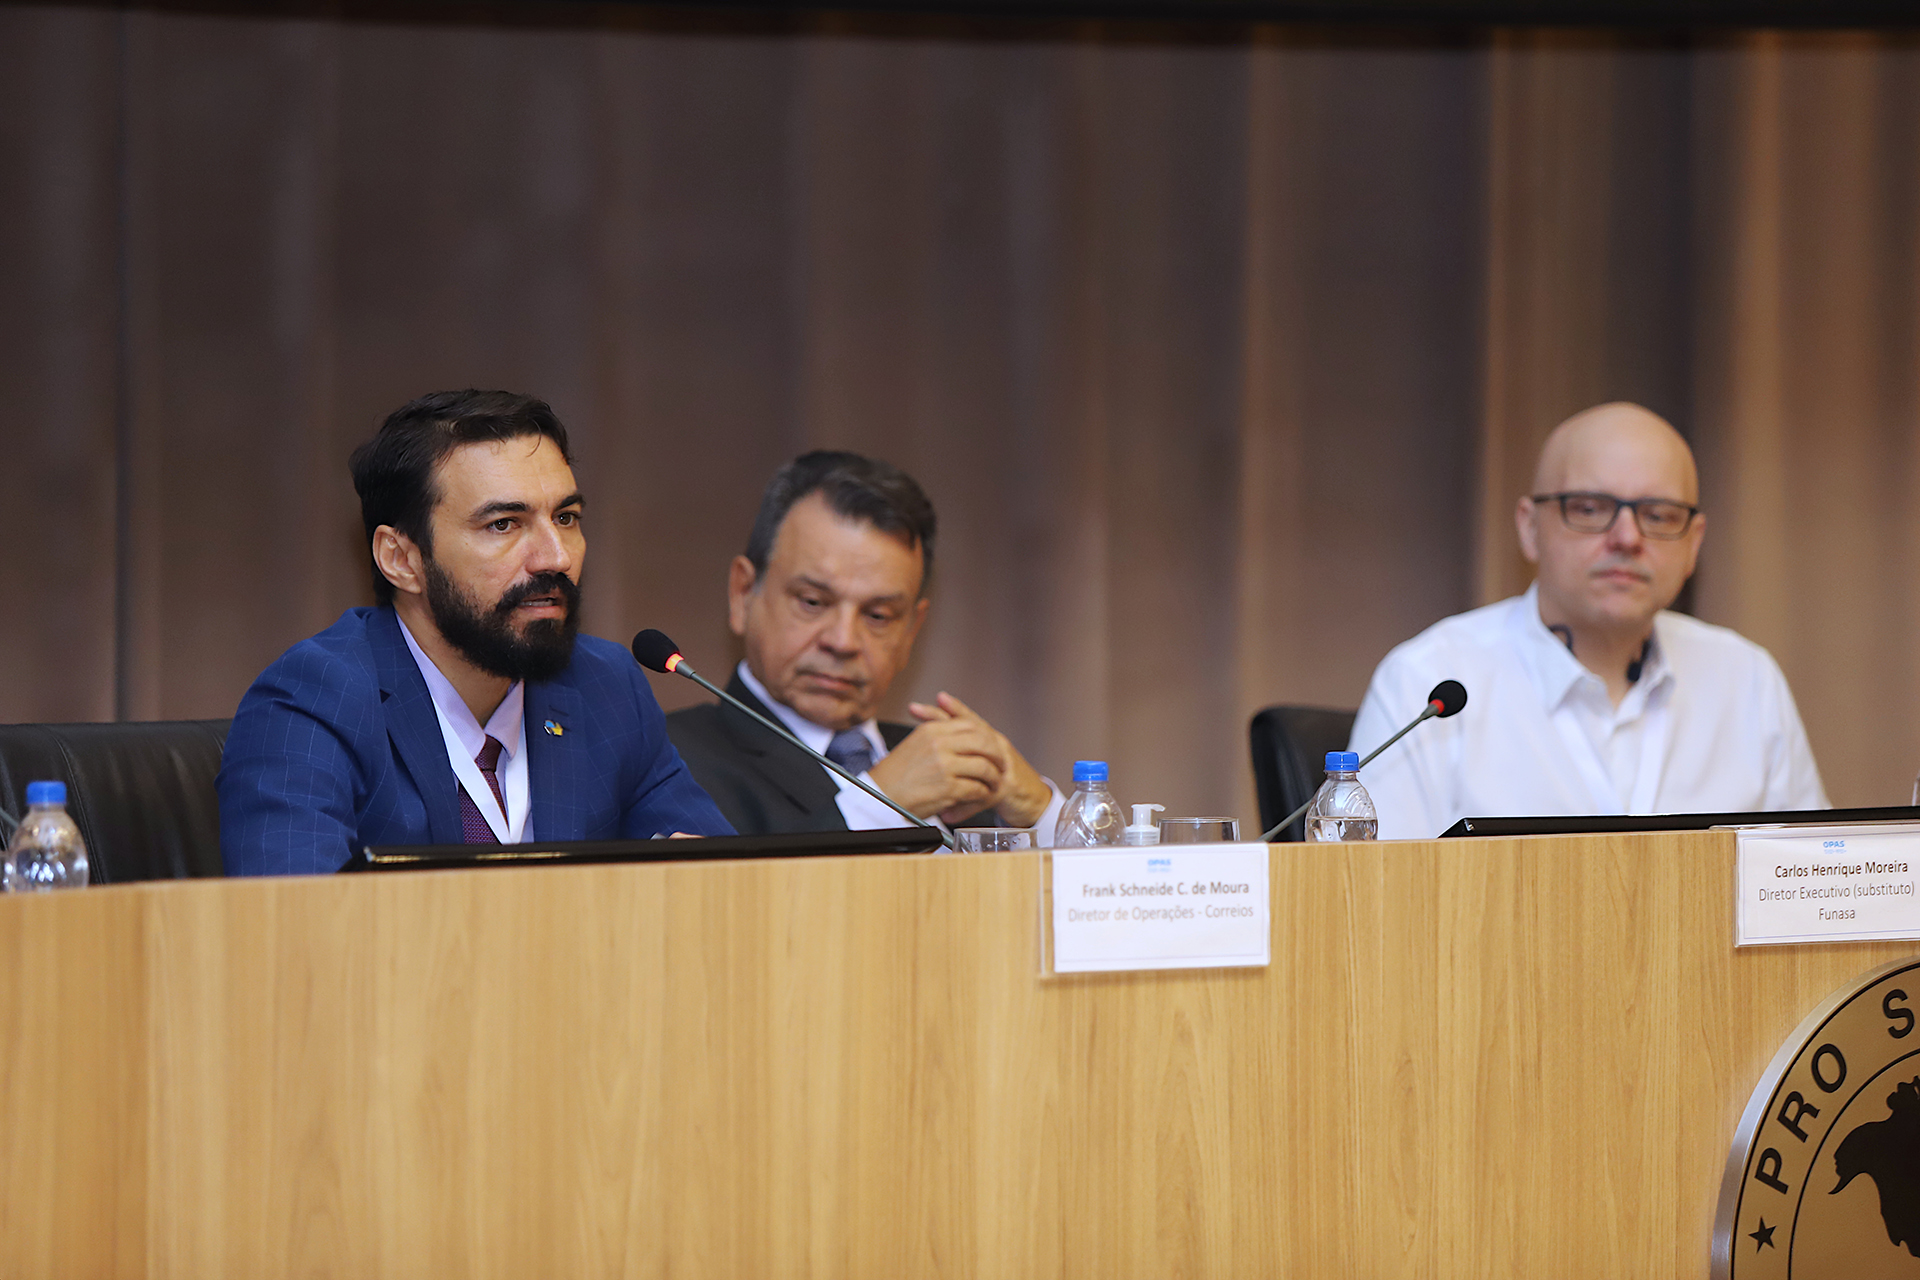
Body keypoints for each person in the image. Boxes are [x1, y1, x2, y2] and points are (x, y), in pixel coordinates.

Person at [219, 390, 731, 875]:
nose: (556, 557)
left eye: (566, 517)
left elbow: (730, 888)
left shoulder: (605, 686)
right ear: (401, 559)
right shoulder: (312, 704)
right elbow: (297, 938)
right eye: (504, 524)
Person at [1349, 401, 1827, 840]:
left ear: (1693, 545)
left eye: (1658, 515)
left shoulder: (1746, 680)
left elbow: (1818, 885)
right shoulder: (1427, 682)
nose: (1626, 537)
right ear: (1529, 528)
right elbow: (1381, 901)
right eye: (1590, 509)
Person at [666, 451, 1064, 839]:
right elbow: (735, 899)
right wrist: (881, 805)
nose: (843, 642)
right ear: (743, 594)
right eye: (813, 602)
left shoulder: (955, 775)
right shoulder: (666, 760)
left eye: (878, 616)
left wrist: (1041, 812)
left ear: (911, 631)